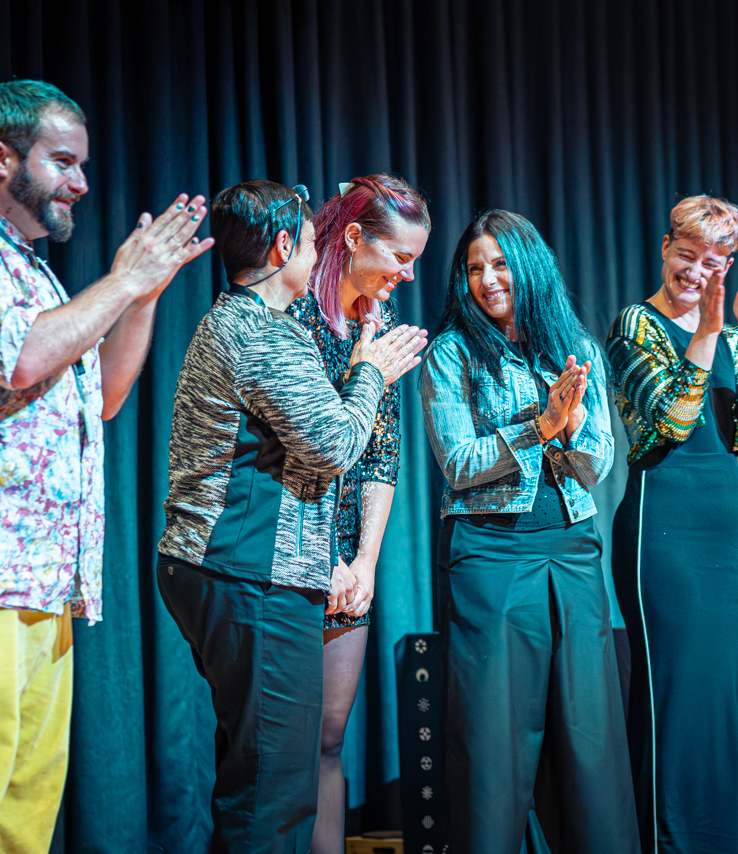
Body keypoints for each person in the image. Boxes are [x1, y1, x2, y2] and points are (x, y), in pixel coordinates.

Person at [0, 80, 213, 853]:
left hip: (42, 575)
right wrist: (120, 280)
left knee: (24, 807)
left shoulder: (36, 274)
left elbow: (108, 398)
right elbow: (20, 359)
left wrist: (145, 295)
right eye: (63, 161)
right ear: (1, 157)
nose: (81, 183)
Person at [156, 180, 428, 853]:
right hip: (252, 574)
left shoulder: (253, 324)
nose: (318, 252)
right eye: (311, 241)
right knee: (272, 797)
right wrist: (369, 371)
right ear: (284, 247)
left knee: (262, 778)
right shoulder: (263, 333)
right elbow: (336, 445)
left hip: (243, 571)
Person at [421, 209, 639, 854]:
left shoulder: (574, 348)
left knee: (589, 734)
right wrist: (535, 429)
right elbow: (458, 463)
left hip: (572, 552)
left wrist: (569, 429)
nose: (488, 280)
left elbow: (597, 464)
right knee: (493, 742)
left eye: (500, 264)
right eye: (474, 268)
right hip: (489, 553)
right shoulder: (451, 353)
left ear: (529, 267)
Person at [605, 195, 738, 853]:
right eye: (686, 257)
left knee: (717, 702)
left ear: (728, 264)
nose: (695, 273)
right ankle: (668, 842)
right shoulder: (636, 324)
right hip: (664, 531)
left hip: (721, 538)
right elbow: (670, 425)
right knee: (674, 700)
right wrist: (708, 331)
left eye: (712, 263)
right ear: (663, 248)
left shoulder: (729, 327)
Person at [283, 174, 431, 854]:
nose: (406, 274)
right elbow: (293, 451)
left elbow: (382, 452)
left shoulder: (382, 326)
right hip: (284, 555)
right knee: (274, 744)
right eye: (398, 258)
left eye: (414, 262)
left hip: (347, 562)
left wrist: (365, 561)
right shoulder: (293, 315)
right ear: (351, 239)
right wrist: (326, 559)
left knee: (330, 740)